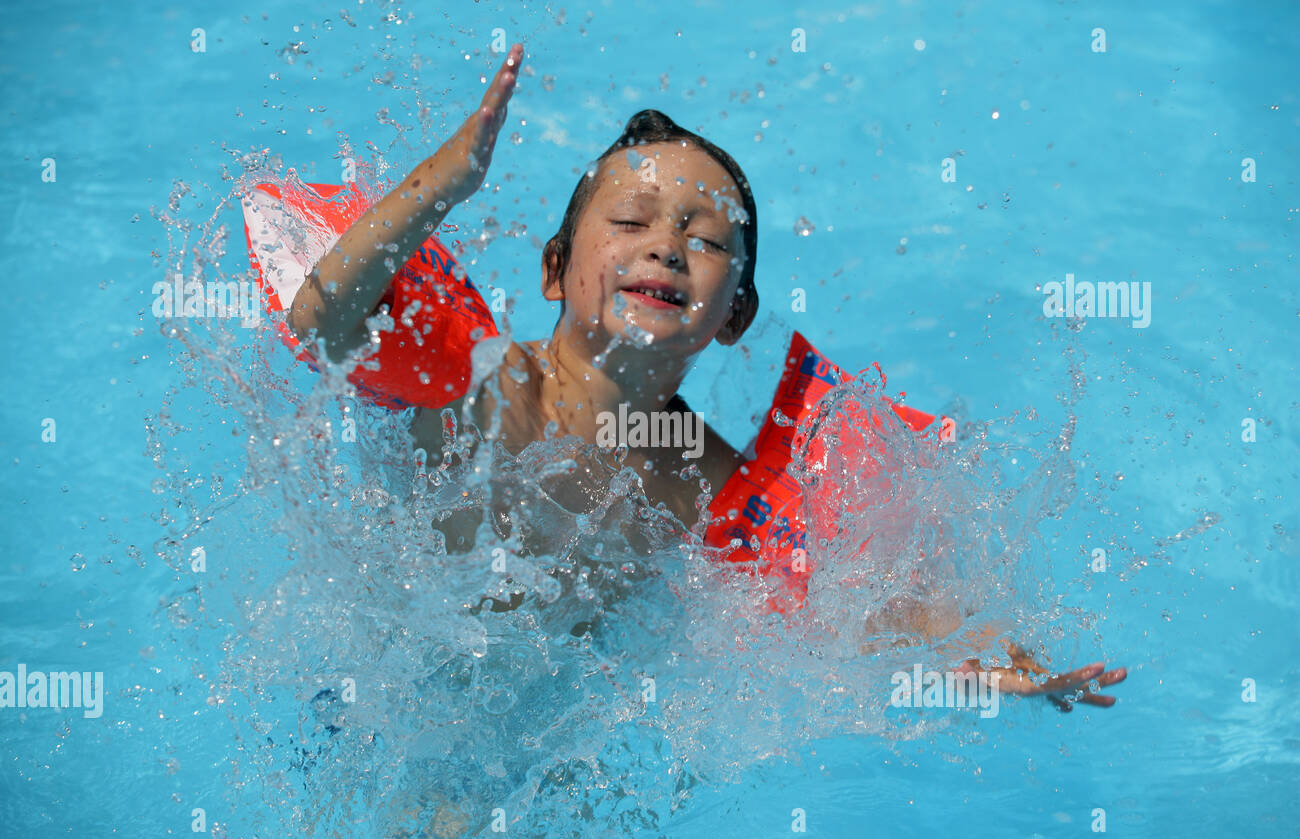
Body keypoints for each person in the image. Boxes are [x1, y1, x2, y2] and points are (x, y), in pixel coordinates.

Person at [287, 43, 1126, 709]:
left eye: (708, 240)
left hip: (552, 730)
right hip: (395, 707)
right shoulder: (491, 386)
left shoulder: (696, 478)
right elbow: (321, 322)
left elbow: (840, 609)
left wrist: (981, 657)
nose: (666, 246)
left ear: (735, 316)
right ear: (553, 270)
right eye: (629, 220)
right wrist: (448, 182)